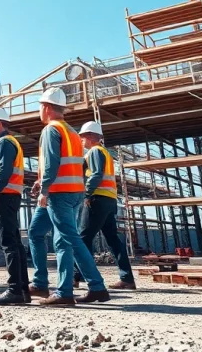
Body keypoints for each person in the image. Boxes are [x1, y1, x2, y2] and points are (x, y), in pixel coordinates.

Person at [35, 87, 109, 306]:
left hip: (60, 193)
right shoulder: (71, 132)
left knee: (71, 240)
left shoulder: (51, 130)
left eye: (40, 108)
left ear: (46, 108)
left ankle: (97, 286)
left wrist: (44, 190)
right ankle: (64, 291)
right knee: (63, 241)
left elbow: (51, 164)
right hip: (76, 192)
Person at [73, 121, 136, 290]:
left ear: (92, 136)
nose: (81, 141)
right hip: (109, 200)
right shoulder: (105, 153)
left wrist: (87, 194)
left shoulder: (95, 151)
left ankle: (76, 277)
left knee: (82, 238)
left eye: (83, 137)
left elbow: (96, 175)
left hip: (97, 199)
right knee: (113, 240)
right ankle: (127, 278)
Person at [0, 107, 31, 306]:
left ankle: (14, 290)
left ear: (0, 124)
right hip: (10, 196)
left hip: (4, 196)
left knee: (9, 244)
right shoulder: (9, 142)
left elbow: (4, 169)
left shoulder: (4, 143)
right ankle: (22, 289)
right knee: (15, 244)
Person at [27, 180, 55, 298]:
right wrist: (40, 182)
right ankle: (40, 283)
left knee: (67, 238)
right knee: (35, 233)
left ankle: (95, 284)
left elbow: (53, 165)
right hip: (56, 192)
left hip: (55, 193)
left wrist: (44, 191)